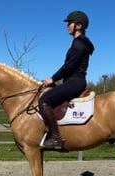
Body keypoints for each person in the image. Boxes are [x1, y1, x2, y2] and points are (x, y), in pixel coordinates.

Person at [39, 10, 95, 149]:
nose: (67, 26)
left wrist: (52, 79)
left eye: (70, 23)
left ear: (78, 26)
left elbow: (69, 67)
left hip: (75, 82)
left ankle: (56, 138)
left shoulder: (79, 44)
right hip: (73, 81)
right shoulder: (80, 42)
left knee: (44, 100)